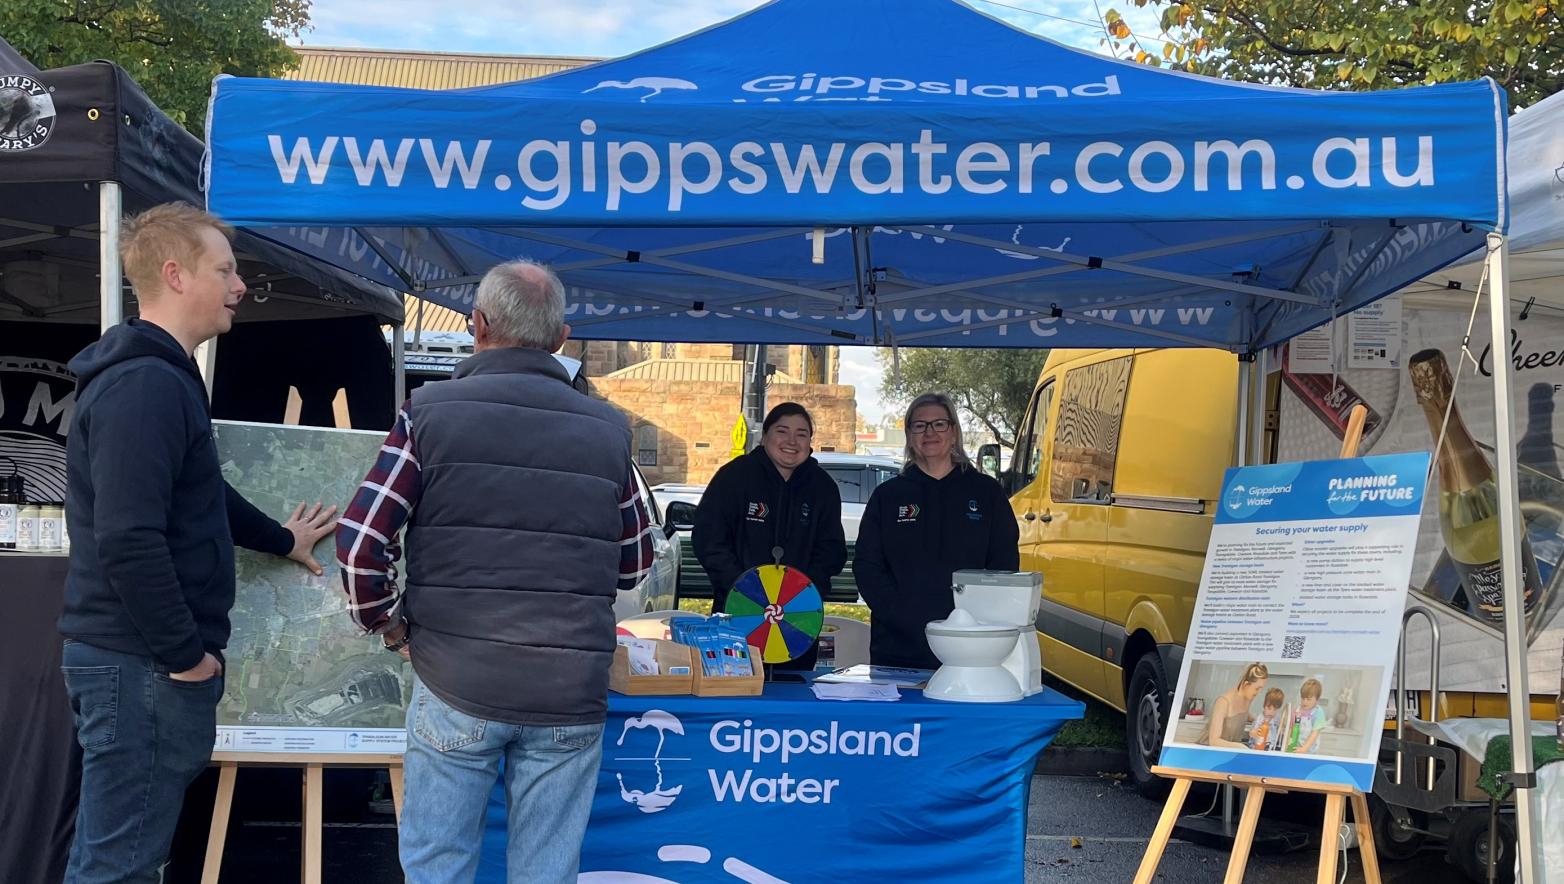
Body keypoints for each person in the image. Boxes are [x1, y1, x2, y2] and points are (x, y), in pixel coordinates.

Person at [336, 259, 655, 884]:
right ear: (561, 338)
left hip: (457, 677)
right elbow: (637, 560)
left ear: (477, 325)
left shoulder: (428, 413)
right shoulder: (609, 430)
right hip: (568, 690)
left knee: (438, 866)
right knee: (545, 873)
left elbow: (359, 542)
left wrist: (392, 627)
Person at [57, 202, 337, 883]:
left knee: (123, 858)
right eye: (226, 270)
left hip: (140, 665)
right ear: (176, 276)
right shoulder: (145, 387)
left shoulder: (161, 380)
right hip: (143, 665)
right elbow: (127, 539)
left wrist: (281, 537)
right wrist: (186, 658)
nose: (240, 287)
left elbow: (201, 495)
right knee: (118, 866)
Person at [854, 393, 1020, 670]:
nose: (929, 433)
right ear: (909, 435)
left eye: (939, 424)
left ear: (953, 432)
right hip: (899, 645)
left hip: (970, 644)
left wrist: (977, 617)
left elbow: (1004, 563)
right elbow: (868, 565)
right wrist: (899, 613)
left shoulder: (986, 492)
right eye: (919, 426)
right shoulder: (889, 495)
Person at [692, 402, 847, 670]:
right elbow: (709, 539)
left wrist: (802, 590)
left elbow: (831, 550)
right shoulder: (735, 476)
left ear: (810, 441)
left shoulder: (823, 487)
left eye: (801, 434)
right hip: (736, 611)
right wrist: (745, 587)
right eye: (782, 431)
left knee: (792, 702)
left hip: (797, 619)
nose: (791, 441)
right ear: (765, 436)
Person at [1197, 663, 1269, 749]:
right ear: (1246, 684)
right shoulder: (1223, 702)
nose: (1258, 693)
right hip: (1208, 752)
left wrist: (1258, 721)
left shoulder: (1248, 698)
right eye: (1257, 688)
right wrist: (1241, 747)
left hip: (1229, 752)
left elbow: (1241, 714)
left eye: (1261, 689)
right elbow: (1214, 741)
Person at [1288, 678, 1329, 754]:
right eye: (1303, 698)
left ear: (1317, 699)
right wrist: (1288, 745)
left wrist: (1304, 749)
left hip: (1310, 751)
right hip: (1295, 749)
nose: (1304, 702)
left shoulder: (1318, 712)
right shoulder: (1297, 710)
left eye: (1308, 699)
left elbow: (1315, 733)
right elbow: (1291, 729)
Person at [1248, 687, 1287, 751]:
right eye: (1269, 708)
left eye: (1275, 709)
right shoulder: (1260, 719)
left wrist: (1282, 731)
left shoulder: (1277, 718)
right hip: (1256, 748)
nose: (1271, 712)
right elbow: (1251, 733)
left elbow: (1282, 729)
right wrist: (1255, 732)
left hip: (1270, 748)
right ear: (1264, 705)